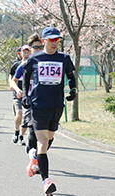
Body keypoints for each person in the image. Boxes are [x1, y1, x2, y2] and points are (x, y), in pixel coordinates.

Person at [21, 27, 77, 195]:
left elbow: (71, 76)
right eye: (51, 40)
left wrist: (73, 90)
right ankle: (46, 181)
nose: (55, 43)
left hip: (57, 105)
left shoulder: (64, 58)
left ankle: (36, 158)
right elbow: (25, 76)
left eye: (57, 40)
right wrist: (25, 95)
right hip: (38, 106)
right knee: (43, 143)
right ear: (44, 41)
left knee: (49, 139)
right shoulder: (34, 58)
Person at [9, 45, 31, 145]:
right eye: (24, 52)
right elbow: (12, 77)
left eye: (28, 52)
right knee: (19, 114)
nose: (26, 55)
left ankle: (21, 136)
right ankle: (16, 131)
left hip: (29, 95)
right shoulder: (17, 65)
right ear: (20, 54)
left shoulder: (33, 65)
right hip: (18, 94)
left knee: (27, 118)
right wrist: (14, 87)